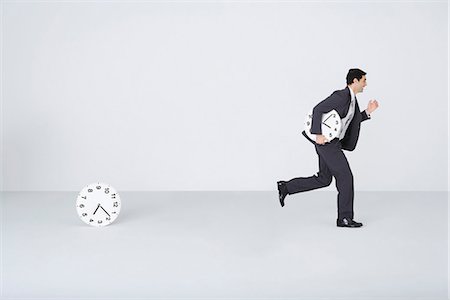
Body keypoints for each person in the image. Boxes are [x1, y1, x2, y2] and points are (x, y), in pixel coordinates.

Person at [277, 68, 379, 228]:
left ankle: (286, 187)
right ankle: (344, 218)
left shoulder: (352, 100)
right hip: (327, 144)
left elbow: (350, 121)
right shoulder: (341, 96)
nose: (366, 84)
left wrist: (367, 112)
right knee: (345, 177)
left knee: (324, 179)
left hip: (332, 143)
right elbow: (318, 109)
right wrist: (317, 134)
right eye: (364, 80)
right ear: (355, 81)